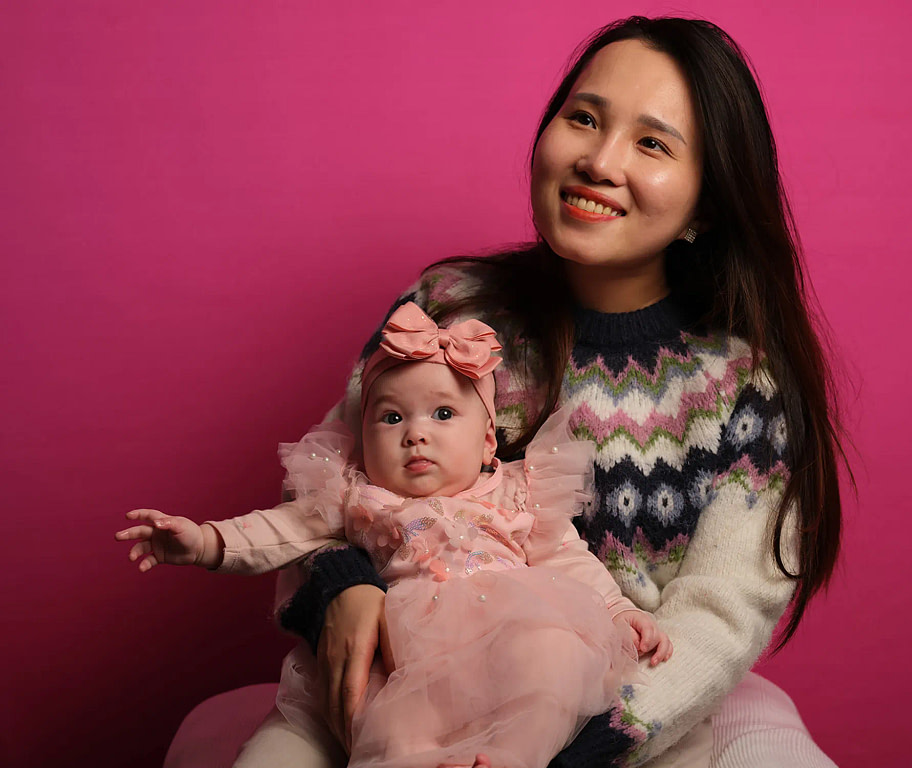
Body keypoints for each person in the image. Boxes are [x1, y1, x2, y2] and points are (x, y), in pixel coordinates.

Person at [184, 14, 847, 768]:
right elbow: (327, 486)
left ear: (707, 206)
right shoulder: (447, 305)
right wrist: (340, 589)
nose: (599, 160)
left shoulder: (739, 380)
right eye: (584, 118)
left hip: (630, 712)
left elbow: (719, 613)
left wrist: (577, 749)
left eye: (652, 142)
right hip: (404, 684)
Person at [117, 303, 673, 768]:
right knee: (385, 710)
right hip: (405, 648)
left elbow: (566, 555)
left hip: (510, 627)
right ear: (361, 439)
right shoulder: (358, 496)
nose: (416, 435)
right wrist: (205, 543)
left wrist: (619, 610)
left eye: (443, 413)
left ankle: (511, 757)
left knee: (552, 655)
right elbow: (280, 530)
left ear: (487, 444)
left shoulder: (514, 491)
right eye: (391, 419)